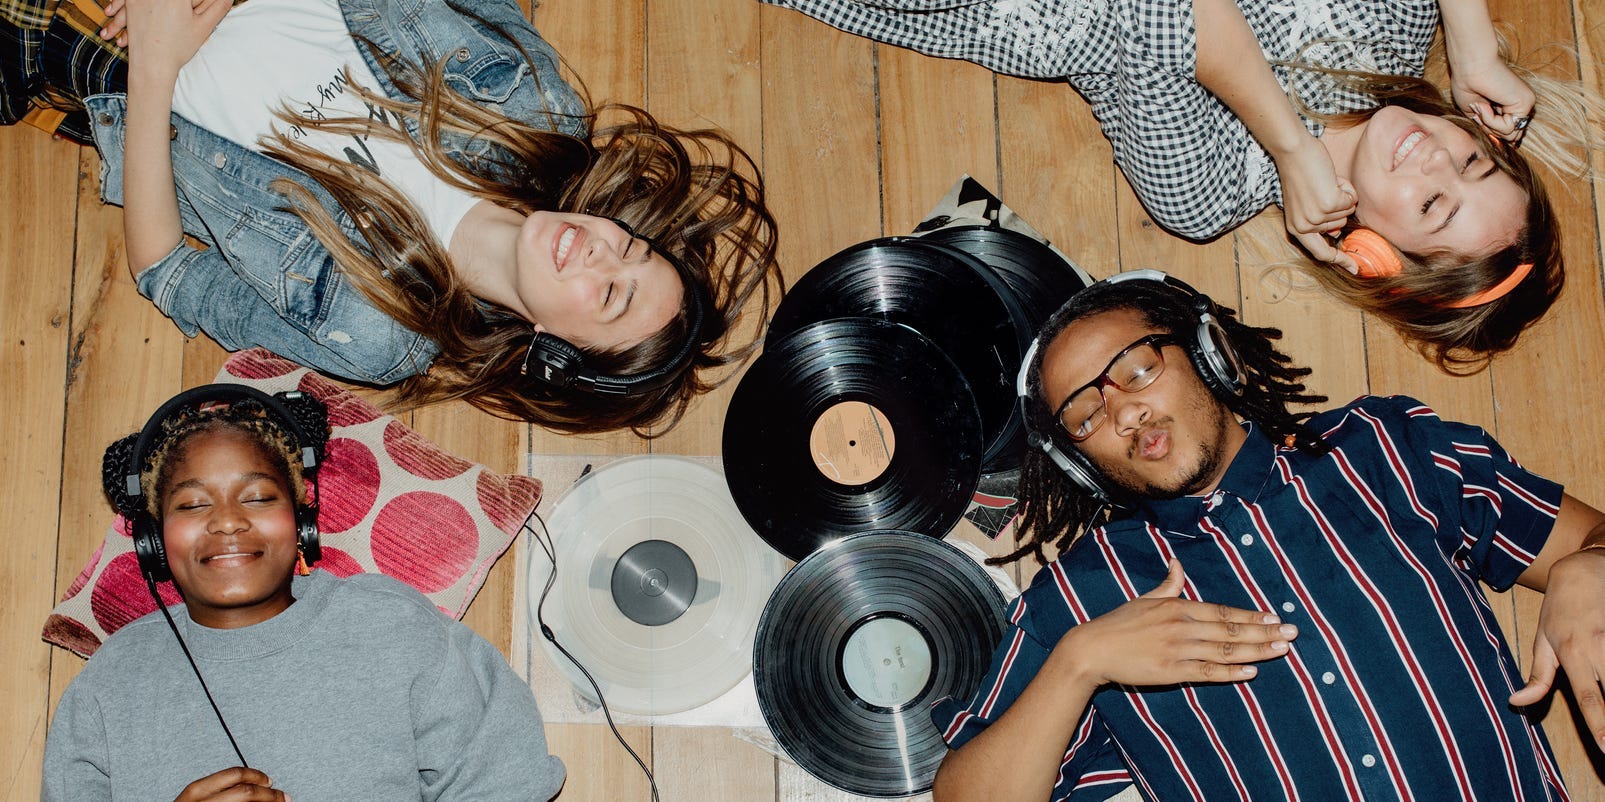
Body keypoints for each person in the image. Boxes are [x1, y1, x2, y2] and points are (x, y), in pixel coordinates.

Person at [930, 270, 1605, 800]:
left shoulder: (1385, 451)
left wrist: (1585, 566)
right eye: (1084, 414)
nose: (1122, 409)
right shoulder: (1080, 598)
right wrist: (1079, 663)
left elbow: (1590, 541)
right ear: (1084, 463)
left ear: (1207, 355)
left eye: (1136, 369)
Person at [1, 0, 782, 435]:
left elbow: (164, 269)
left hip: (104, 47)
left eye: (611, 294)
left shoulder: (378, 336)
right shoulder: (536, 106)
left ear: (555, 352)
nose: (601, 250)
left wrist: (157, 66)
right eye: (633, 249)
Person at [761, 0, 1602, 372]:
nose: (1434, 157)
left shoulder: (1203, 192)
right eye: (1473, 161)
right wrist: (1471, 40)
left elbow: (1158, 7)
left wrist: (1284, 144)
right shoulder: (1395, 29)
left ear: (1370, 253)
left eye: (1433, 204)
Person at [42, 385, 565, 800]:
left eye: (258, 497)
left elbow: (505, 777)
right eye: (193, 505)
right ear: (154, 540)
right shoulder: (109, 684)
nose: (227, 521)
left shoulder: (390, 625)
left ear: (302, 522)